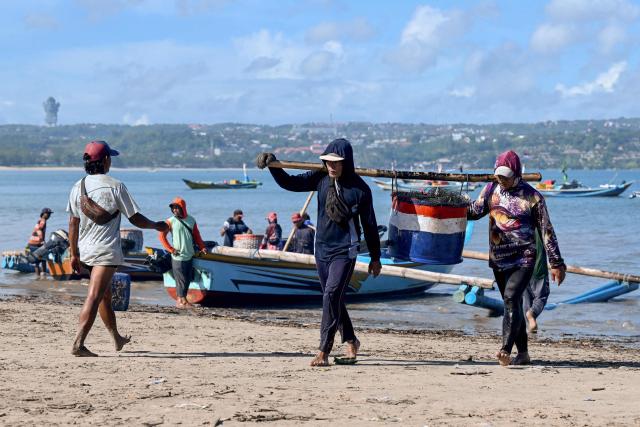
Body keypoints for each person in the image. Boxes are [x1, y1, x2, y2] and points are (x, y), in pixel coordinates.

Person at [257, 138, 382, 367]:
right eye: (327, 162)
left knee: (331, 295)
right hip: (321, 248)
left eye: (336, 163)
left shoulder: (361, 190)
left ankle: (324, 351)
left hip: (346, 250)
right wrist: (274, 166)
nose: (331, 167)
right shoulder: (320, 178)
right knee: (331, 298)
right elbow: (290, 184)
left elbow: (371, 225)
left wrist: (375, 257)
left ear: (347, 162)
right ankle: (352, 339)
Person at [67, 140, 168, 357]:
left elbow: (73, 223)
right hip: (105, 252)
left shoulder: (78, 186)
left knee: (105, 295)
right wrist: (156, 225)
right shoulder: (115, 186)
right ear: (105, 160)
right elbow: (135, 218)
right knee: (95, 295)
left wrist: (73, 254)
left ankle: (116, 338)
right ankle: (78, 343)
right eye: (110, 157)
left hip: (85, 251)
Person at [468, 150, 566, 366]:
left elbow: (546, 230)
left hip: (524, 258)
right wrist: (448, 206)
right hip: (499, 258)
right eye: (498, 175)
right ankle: (523, 353)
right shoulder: (491, 189)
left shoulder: (533, 197)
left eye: (506, 176)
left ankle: (505, 349)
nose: (501, 179)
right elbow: (474, 212)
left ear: (517, 174)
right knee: (511, 304)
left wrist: (557, 263)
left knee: (512, 298)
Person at [158, 197, 207, 308]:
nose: (175, 210)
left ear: (183, 208)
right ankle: (183, 301)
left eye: (177, 208)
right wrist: (171, 249)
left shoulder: (191, 220)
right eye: (173, 208)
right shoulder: (170, 221)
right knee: (181, 279)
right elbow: (161, 236)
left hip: (189, 254)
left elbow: (197, 236)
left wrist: (202, 247)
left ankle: (180, 300)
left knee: (188, 277)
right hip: (177, 255)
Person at [523, 232, 550, 334]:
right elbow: (550, 243)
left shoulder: (520, 224)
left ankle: (529, 327)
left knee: (526, 297)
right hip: (538, 268)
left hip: (522, 267)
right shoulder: (540, 226)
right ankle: (532, 313)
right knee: (542, 295)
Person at [27, 207, 53, 275]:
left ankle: (38, 278)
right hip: (37, 243)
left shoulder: (39, 220)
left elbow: (37, 229)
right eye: (47, 213)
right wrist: (42, 240)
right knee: (44, 259)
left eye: (49, 214)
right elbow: (39, 229)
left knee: (36, 262)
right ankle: (43, 276)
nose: (49, 215)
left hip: (31, 243)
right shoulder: (43, 221)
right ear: (43, 214)